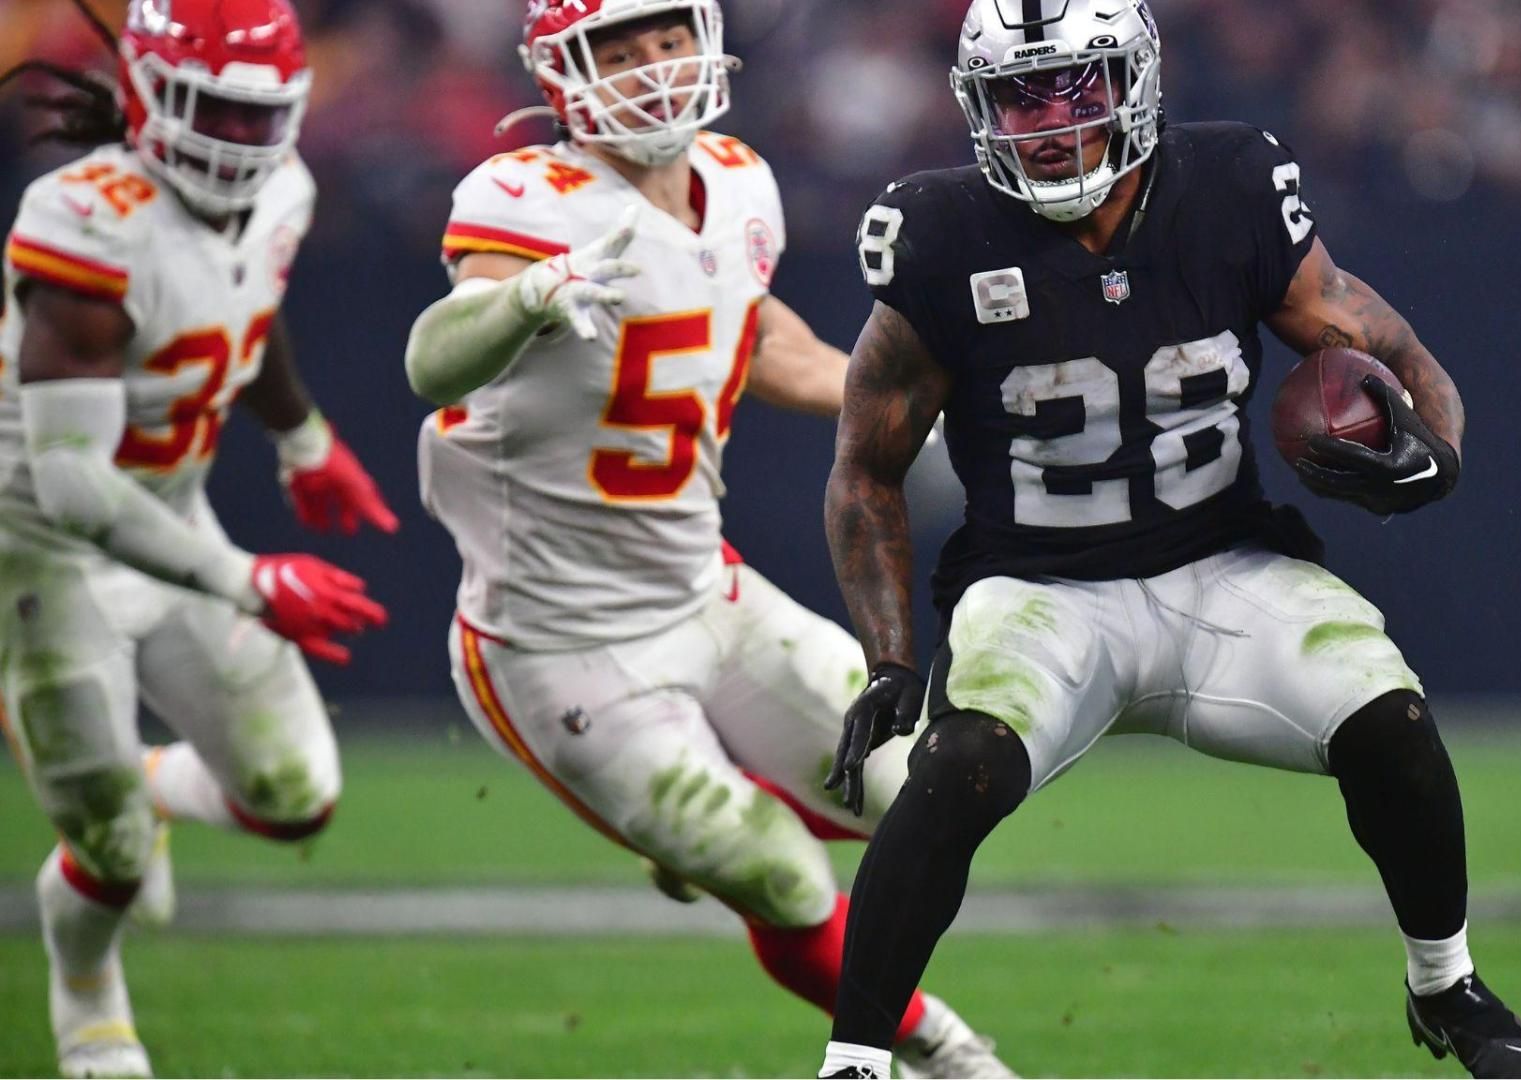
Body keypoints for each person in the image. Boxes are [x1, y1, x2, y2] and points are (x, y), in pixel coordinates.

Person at [815, 2, 1521, 1077]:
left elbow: (1393, 344)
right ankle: (855, 1062)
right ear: (978, 108)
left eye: (1076, 85)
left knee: (1390, 719)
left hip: (1223, 571)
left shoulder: (1229, 189)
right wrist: (889, 656)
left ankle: (1447, 987)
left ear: (1138, 81)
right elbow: (866, 465)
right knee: (956, 768)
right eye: (1020, 94)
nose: (1049, 121)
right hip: (1040, 590)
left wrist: (1434, 453)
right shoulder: (941, 235)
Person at [405, 2, 1010, 1074]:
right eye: (618, 50)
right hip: (558, 641)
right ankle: (951, 1056)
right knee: (777, 872)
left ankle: (691, 825)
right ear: (561, 71)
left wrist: (896, 402)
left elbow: (746, 324)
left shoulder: (736, 177)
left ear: (706, 34)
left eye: (666, 38)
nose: (651, 68)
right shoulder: (522, 200)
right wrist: (525, 299)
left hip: (701, 590)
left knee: (932, 790)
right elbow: (433, 359)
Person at [0, 0, 394, 1075]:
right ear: (144, 94)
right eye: (212, 107)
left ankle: (143, 778)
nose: (239, 141)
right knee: (113, 854)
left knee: (294, 795)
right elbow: (74, 485)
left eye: (260, 114)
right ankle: (90, 1001)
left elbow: (239, 309)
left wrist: (306, 439)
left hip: (170, 515)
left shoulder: (284, 190)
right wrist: (249, 579)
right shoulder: (87, 216)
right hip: (42, 552)